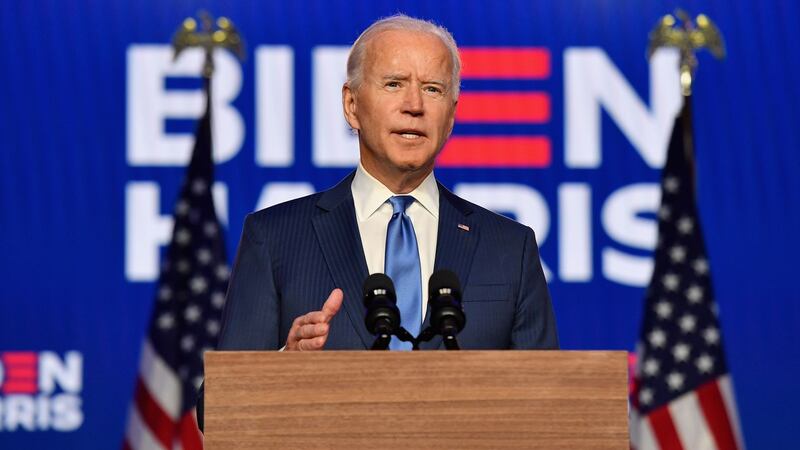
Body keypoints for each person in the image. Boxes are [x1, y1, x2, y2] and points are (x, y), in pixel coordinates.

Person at [215, 14, 558, 353]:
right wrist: (282, 367)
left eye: (432, 89)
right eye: (394, 84)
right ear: (352, 105)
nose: (414, 105)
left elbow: (548, 399)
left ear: (451, 116)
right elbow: (219, 402)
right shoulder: (275, 238)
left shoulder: (511, 249)